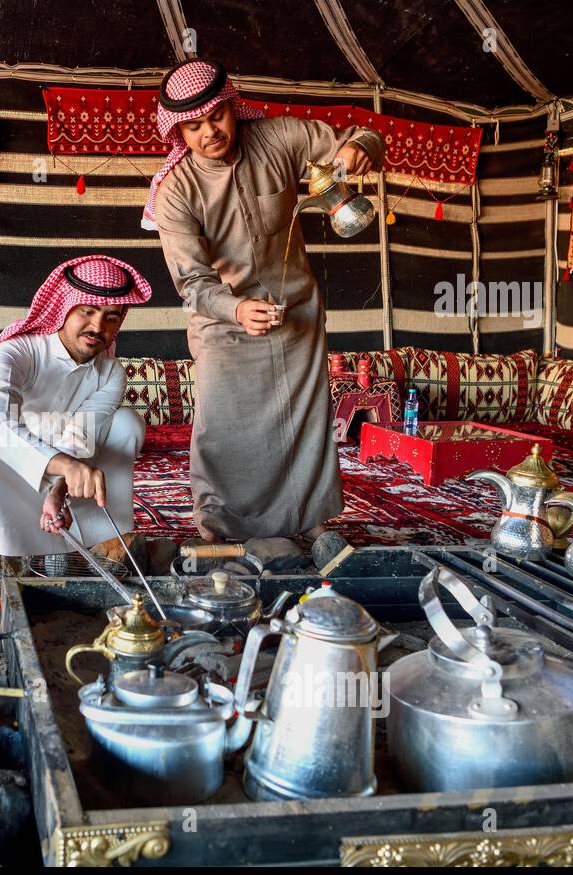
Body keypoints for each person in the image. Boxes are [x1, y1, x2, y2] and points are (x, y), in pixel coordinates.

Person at [145, 59, 384, 550]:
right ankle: (218, 528)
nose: (209, 132)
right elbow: (191, 281)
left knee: (304, 420)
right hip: (223, 325)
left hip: (296, 313)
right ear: (178, 133)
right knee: (222, 429)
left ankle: (312, 521)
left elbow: (359, 136)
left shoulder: (279, 138)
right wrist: (236, 310)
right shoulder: (175, 192)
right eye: (193, 126)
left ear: (233, 108)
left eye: (216, 117)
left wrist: (359, 147)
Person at [0, 255, 152, 557]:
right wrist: (67, 467)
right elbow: (0, 429)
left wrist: (59, 489)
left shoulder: (110, 374)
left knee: (126, 423)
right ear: (65, 307)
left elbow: (81, 436)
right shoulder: (15, 354)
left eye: (111, 317)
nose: (98, 326)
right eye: (87, 311)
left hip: (50, 466)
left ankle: (100, 535)